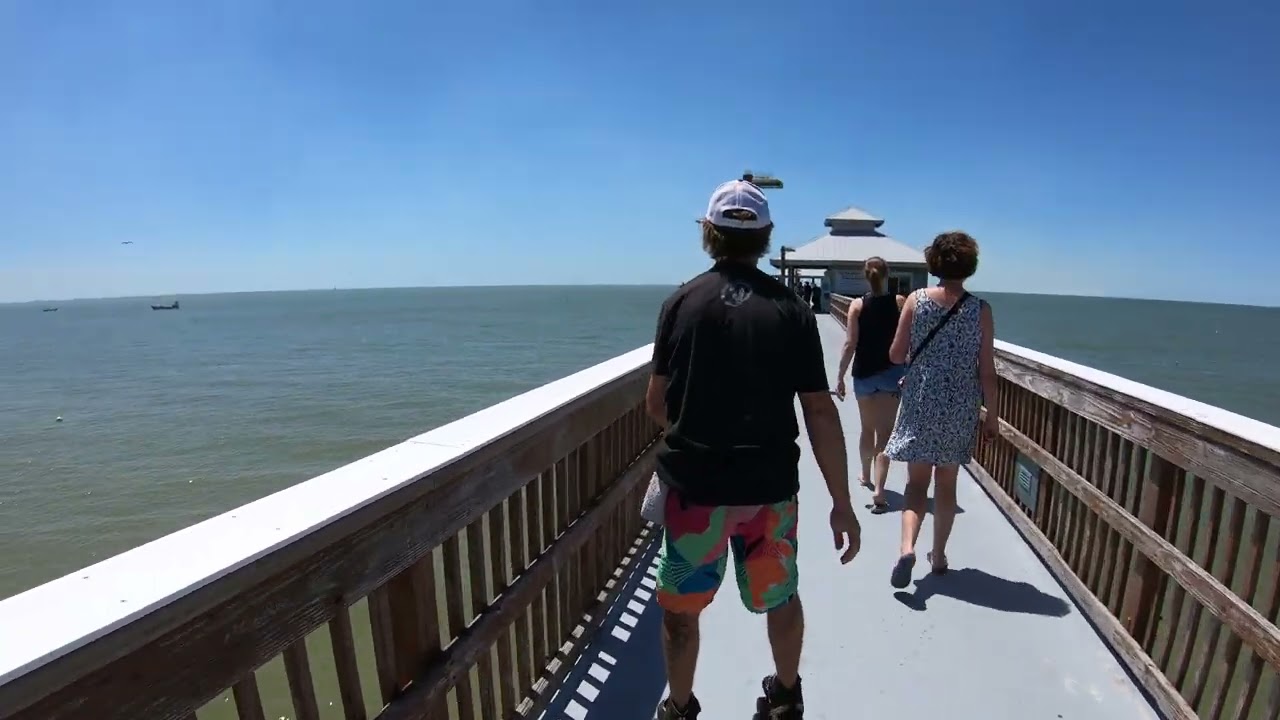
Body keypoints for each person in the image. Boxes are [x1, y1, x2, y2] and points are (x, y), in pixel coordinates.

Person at [647, 179, 861, 719]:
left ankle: (678, 706)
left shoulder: (680, 302)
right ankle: (786, 697)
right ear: (765, 237)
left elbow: (657, 403)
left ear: (709, 233)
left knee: (680, 610)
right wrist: (842, 502)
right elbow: (818, 409)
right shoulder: (789, 308)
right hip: (769, 492)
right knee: (780, 596)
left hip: (696, 491)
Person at [883, 231, 998, 588]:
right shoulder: (980, 310)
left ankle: (906, 548)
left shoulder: (916, 301)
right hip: (960, 406)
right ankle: (939, 556)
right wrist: (991, 416)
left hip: (921, 401)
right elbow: (987, 371)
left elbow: (896, 355)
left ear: (934, 263)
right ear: (969, 267)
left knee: (916, 486)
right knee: (946, 486)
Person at [834, 257, 905, 513]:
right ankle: (879, 491)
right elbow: (910, 339)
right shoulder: (900, 303)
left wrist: (840, 375)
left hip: (863, 375)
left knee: (867, 429)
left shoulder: (857, 305)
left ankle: (865, 476)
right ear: (888, 275)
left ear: (866, 277)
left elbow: (850, 343)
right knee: (885, 435)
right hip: (891, 374)